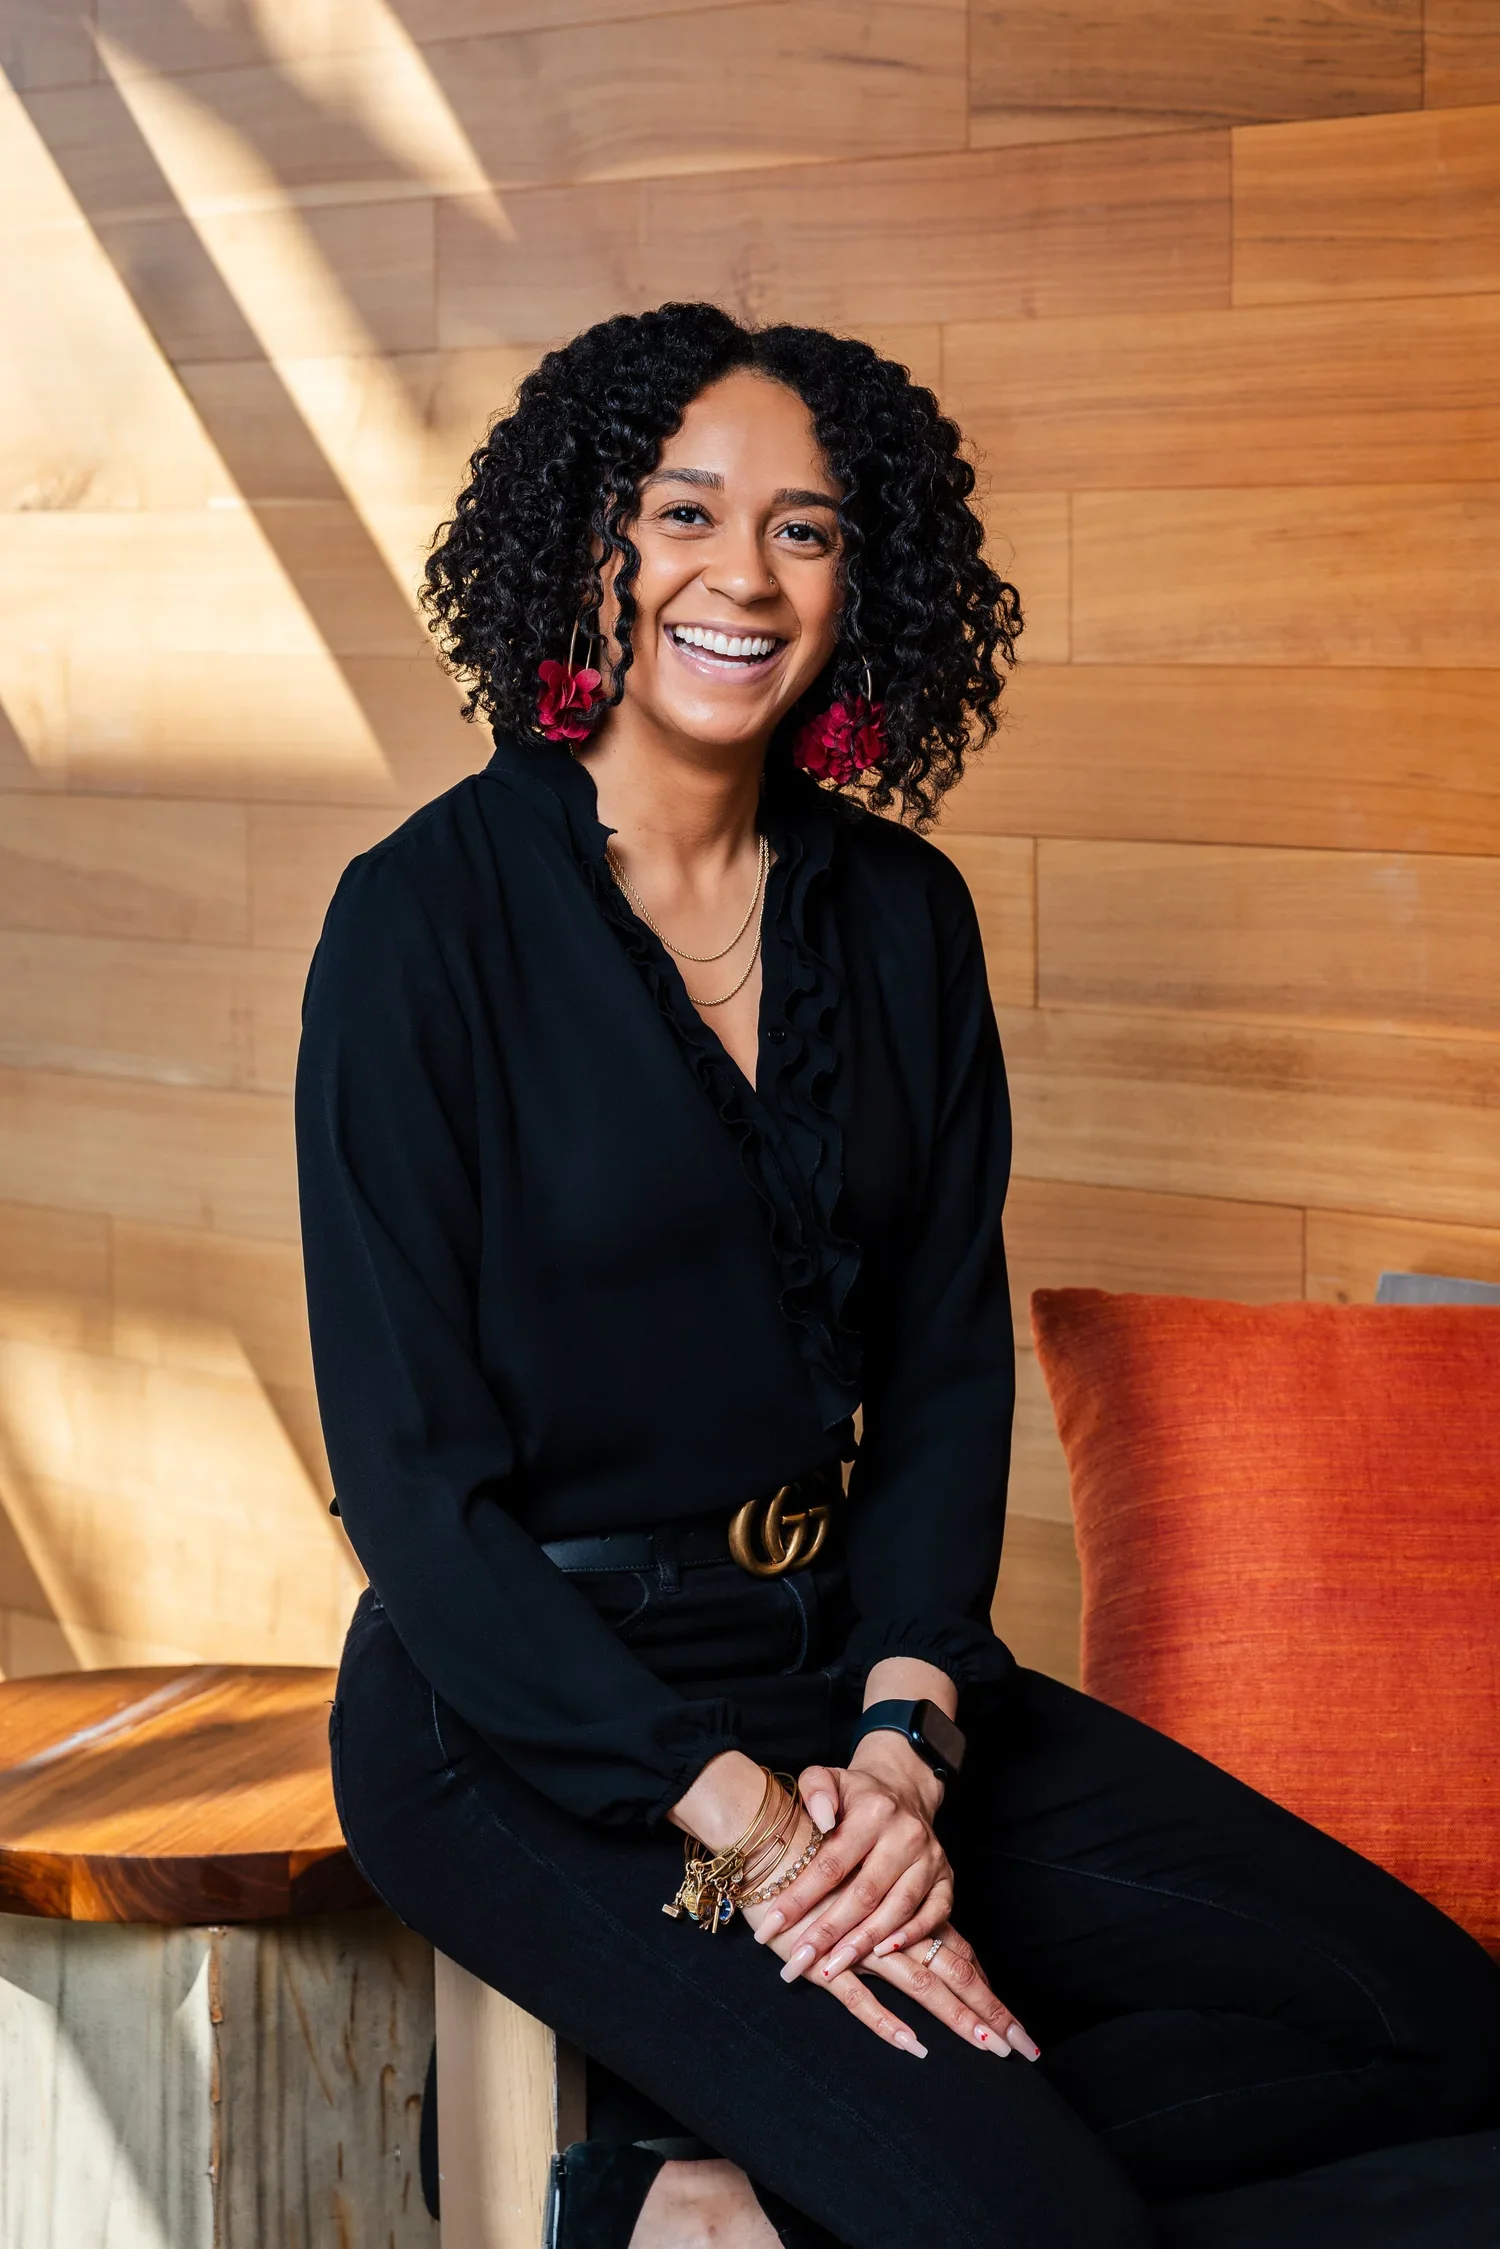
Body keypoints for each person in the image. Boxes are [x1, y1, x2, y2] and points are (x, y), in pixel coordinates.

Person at [296, 302, 1500, 2249]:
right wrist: (758, 1830)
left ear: (872, 581)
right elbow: (421, 1500)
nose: (742, 576)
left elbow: (941, 1379)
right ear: (586, 544)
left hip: (845, 1655)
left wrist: (896, 1745)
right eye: (684, 511)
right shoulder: (420, 923)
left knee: (1439, 2028)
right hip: (530, 1710)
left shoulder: (903, 915)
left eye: (810, 526)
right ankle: (753, 2187)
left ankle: (719, 2188)